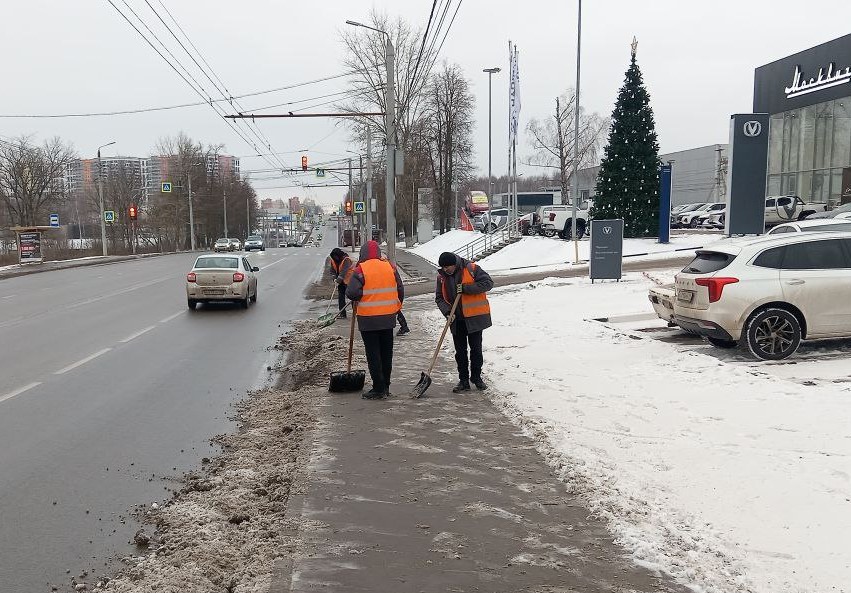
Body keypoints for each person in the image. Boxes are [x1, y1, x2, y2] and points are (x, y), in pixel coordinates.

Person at [346, 240, 404, 399]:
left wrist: (361, 295)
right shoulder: (390, 267)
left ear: (363, 254)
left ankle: (378, 388)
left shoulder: (360, 270)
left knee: (373, 354)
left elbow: (351, 293)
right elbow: (400, 288)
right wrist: (396, 307)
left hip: (368, 320)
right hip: (388, 318)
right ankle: (386, 386)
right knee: (387, 353)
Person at [435, 252, 493, 393]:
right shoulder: (441, 277)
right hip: (457, 320)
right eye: (443, 267)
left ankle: (477, 378)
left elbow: (488, 283)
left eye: (448, 267)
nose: (446, 269)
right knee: (460, 352)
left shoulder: (472, 268)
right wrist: (448, 312)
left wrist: (467, 289)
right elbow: (439, 298)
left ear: (454, 264)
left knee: (476, 350)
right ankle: (464, 381)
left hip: (474, 317)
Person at [328, 248, 353, 318]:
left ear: (339, 255)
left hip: (349, 281)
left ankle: (356, 312)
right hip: (341, 281)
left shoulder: (346, 260)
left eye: (335, 256)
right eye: (333, 257)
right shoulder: (333, 260)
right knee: (341, 297)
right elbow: (332, 271)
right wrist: (334, 279)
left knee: (352, 297)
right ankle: (342, 314)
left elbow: (343, 272)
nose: (335, 258)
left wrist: (338, 280)